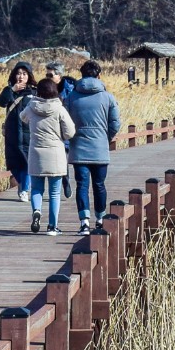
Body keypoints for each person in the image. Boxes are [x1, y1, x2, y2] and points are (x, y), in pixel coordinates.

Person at [65, 59, 121, 233]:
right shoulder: (108, 97)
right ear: (99, 75)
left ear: (81, 75)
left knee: (82, 185)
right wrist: (106, 137)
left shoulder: (71, 97)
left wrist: (72, 137)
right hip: (99, 147)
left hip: (79, 147)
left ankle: (84, 222)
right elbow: (115, 123)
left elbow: (65, 123)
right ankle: (100, 218)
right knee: (99, 184)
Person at [21, 77, 75, 235]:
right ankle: (52, 226)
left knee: (36, 188)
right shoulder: (59, 109)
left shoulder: (31, 107)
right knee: (54, 192)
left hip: (35, 152)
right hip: (55, 153)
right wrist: (62, 137)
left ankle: (37, 211)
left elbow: (22, 118)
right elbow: (70, 132)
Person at [0, 63, 33, 185]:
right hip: (12, 133)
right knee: (13, 164)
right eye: (18, 73)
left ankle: (24, 188)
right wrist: (12, 90)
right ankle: (23, 184)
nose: (21, 77)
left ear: (29, 76)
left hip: (28, 133)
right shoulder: (9, 90)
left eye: (24, 74)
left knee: (28, 162)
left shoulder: (34, 92)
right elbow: (1, 102)